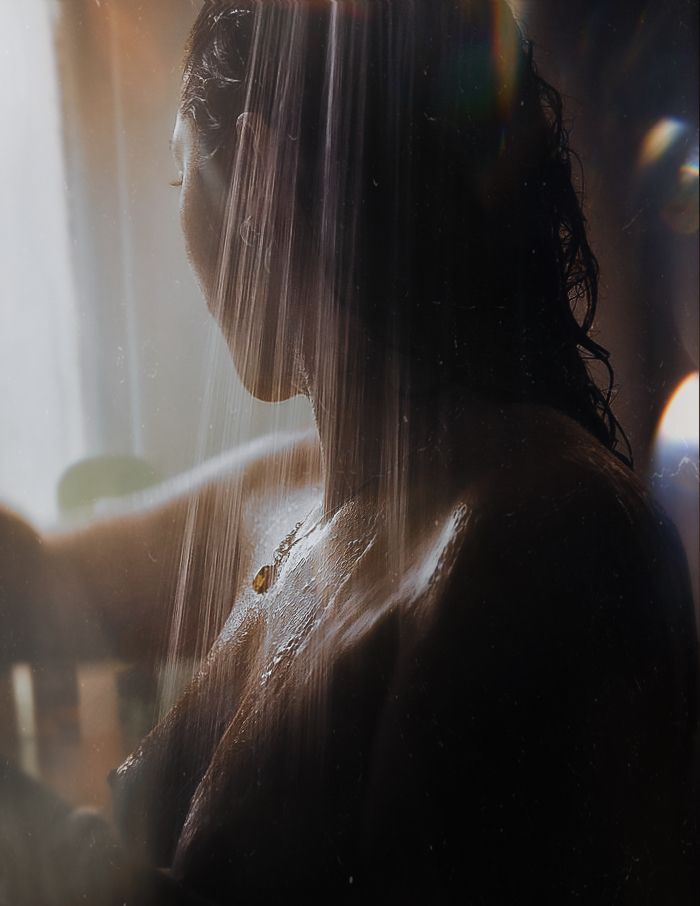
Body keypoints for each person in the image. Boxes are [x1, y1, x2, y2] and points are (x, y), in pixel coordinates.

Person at [0, 1, 698, 903]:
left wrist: (37, 840)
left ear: (254, 173)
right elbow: (42, 578)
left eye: (183, 179)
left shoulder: (542, 538)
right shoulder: (295, 493)